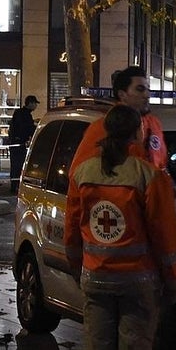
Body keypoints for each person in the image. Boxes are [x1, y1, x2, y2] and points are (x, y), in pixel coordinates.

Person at [64, 105, 176, 350]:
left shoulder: (83, 173)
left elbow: (73, 232)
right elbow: (164, 237)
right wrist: (173, 282)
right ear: (138, 134)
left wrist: (78, 268)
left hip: (96, 279)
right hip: (138, 283)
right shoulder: (148, 176)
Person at [66, 66, 169, 231]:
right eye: (140, 89)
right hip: (116, 221)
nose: (147, 95)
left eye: (148, 89)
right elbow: (79, 180)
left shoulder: (154, 125)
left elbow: (161, 166)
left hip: (151, 220)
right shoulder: (101, 129)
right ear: (122, 94)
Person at [7, 94, 40, 193]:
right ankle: (15, 186)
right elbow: (26, 128)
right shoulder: (24, 114)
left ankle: (15, 185)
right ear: (30, 103)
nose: (36, 106)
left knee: (16, 165)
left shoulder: (20, 113)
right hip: (18, 143)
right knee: (18, 165)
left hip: (16, 143)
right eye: (35, 104)